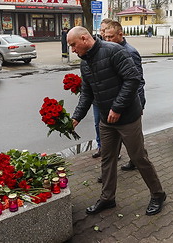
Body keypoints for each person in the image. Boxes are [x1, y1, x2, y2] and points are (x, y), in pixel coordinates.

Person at [67, 26, 166, 216]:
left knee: (138, 158)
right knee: (107, 159)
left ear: (84, 39)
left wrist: (117, 108)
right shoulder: (85, 62)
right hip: (106, 120)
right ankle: (107, 198)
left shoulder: (114, 51)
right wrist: (76, 117)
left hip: (128, 117)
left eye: (73, 45)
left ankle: (158, 194)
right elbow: (87, 93)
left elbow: (133, 79)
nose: (72, 50)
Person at [102, 20, 146, 174]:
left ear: (121, 34)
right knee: (118, 139)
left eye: (110, 37)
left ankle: (137, 162)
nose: (107, 40)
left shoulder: (130, 52)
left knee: (134, 141)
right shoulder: (109, 50)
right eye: (105, 37)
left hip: (131, 103)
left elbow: (138, 81)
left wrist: (139, 104)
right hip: (117, 102)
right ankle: (110, 170)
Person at [92, 18, 113, 158]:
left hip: (110, 98)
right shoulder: (95, 48)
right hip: (97, 98)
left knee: (112, 128)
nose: (103, 33)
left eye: (105, 30)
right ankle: (101, 147)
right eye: (101, 30)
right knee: (97, 124)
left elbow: (135, 81)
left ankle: (112, 151)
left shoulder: (119, 50)